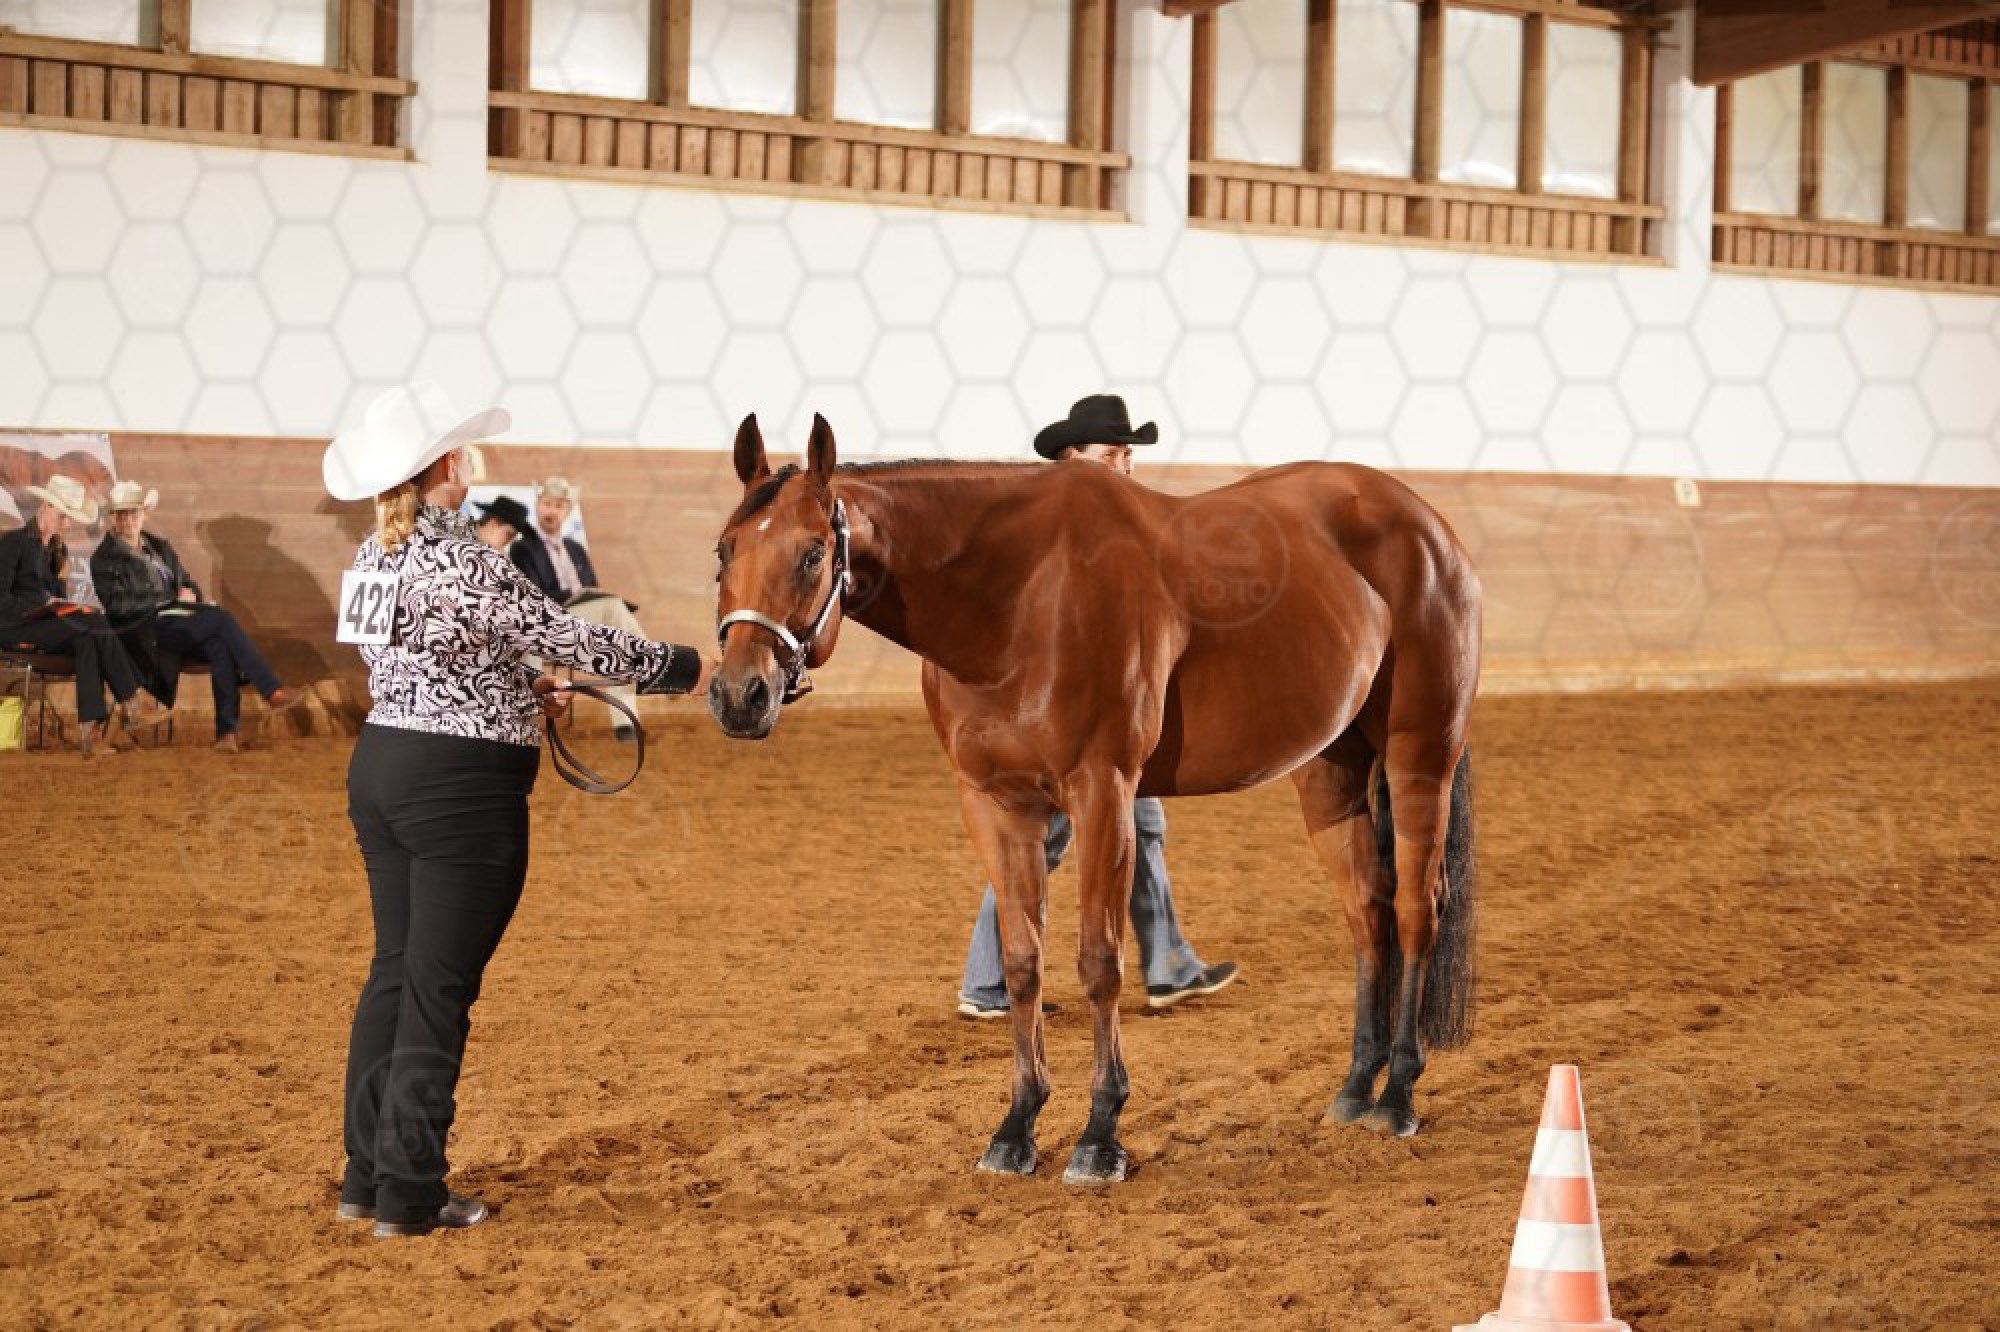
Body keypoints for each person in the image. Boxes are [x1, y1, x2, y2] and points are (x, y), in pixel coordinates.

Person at [324, 383, 708, 1240]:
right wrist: (682, 668)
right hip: (460, 788)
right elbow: (571, 636)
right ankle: (410, 1192)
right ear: (445, 466)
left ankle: (366, 1177)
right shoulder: (469, 562)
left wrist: (515, 685)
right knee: (438, 989)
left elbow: (411, 663)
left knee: (395, 972)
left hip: (383, 764)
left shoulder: (371, 556)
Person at [957, 395, 1240, 1018]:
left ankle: (1166, 963)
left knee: (1139, 824)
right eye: (1113, 453)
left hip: (1107, 716)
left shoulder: (1111, 521)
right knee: (1043, 842)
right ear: (1072, 457)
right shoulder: (1046, 524)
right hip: (1061, 727)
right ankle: (989, 983)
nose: (1126, 466)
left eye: (1128, 454)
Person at [90, 480, 303, 753]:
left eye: (133, 513)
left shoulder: (159, 547)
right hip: (146, 629)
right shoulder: (103, 559)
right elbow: (117, 605)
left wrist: (190, 594)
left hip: (178, 620)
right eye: (122, 514)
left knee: (219, 645)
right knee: (221, 620)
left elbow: (187, 581)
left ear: (144, 515)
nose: (128, 520)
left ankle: (226, 734)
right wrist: (169, 599)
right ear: (113, 518)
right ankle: (271, 691)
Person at [0, 475, 168, 756]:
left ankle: (91, 734)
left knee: (87, 641)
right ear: (46, 507)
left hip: (41, 625)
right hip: (12, 627)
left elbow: (57, 601)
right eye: (64, 517)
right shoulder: (14, 542)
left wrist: (58, 589)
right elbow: (2, 601)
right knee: (93, 622)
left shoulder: (56, 551)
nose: (67, 525)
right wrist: (43, 602)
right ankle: (132, 702)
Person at [508, 477, 645, 743]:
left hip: (581, 620)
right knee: (614, 610)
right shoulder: (522, 547)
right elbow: (533, 595)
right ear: (537, 505)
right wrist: (575, 595)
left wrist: (590, 597)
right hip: (548, 620)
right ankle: (647, 661)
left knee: (615, 631)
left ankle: (625, 723)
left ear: (567, 512)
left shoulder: (576, 549)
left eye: (558, 506)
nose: (551, 511)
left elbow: (593, 588)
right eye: (547, 504)